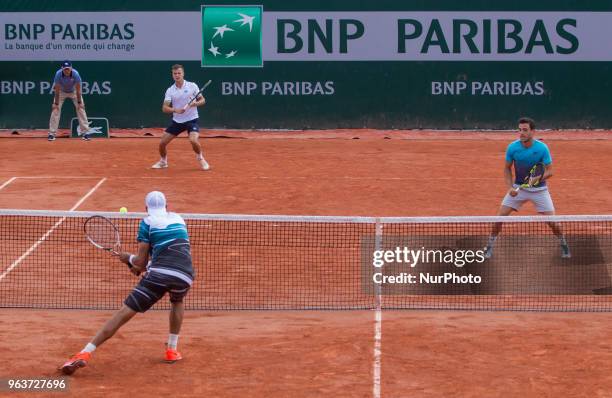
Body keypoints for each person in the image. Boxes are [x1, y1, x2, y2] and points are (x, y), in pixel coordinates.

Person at [59, 191, 195, 375]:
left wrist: (128, 259)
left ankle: (84, 353)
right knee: (177, 301)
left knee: (124, 313)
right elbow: (160, 258)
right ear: (166, 206)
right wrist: (136, 265)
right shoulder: (179, 219)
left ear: (146, 208)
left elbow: (140, 262)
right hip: (185, 274)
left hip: (159, 274)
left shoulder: (147, 223)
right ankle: (172, 350)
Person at [484, 117, 570, 259]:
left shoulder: (542, 148)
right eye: (520, 130)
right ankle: (489, 246)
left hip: (540, 191)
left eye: (525, 130)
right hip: (519, 189)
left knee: (553, 223)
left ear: (533, 132)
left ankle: (563, 243)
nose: (521, 133)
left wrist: (536, 179)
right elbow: (506, 169)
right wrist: (510, 187)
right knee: (499, 219)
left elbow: (550, 171)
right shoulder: (513, 147)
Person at [152, 64, 210, 170]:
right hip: (177, 122)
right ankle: (163, 162)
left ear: (183, 74)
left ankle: (201, 158)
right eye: (175, 73)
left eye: (179, 73)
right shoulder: (170, 90)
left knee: (193, 140)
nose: (177, 75)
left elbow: (203, 101)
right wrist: (175, 110)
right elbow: (164, 108)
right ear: (172, 75)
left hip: (192, 119)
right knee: (162, 143)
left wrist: (194, 104)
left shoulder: (192, 86)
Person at [48, 60, 93, 141]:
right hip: (61, 92)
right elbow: (57, 90)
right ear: (62, 69)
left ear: (71, 68)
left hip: (74, 92)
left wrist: (79, 102)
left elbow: (79, 90)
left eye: (68, 69)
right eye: (65, 69)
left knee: (81, 109)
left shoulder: (76, 74)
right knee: (55, 109)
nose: (67, 71)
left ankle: (85, 133)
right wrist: (56, 103)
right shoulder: (58, 74)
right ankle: (52, 133)